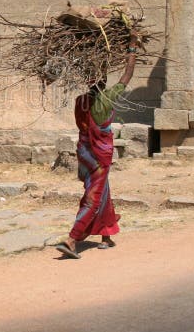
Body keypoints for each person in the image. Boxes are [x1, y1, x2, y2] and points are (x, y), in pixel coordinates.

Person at [55, 32, 140, 259]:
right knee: (93, 197)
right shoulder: (107, 98)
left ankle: (106, 235)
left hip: (84, 154)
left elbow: (82, 127)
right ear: (102, 82)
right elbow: (127, 74)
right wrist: (132, 47)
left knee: (103, 191)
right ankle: (72, 239)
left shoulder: (80, 101)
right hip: (99, 156)